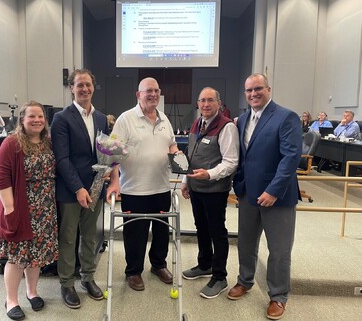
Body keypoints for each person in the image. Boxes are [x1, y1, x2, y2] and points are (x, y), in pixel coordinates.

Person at [228, 73, 302, 320]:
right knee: (246, 243)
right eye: (248, 90)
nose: (253, 94)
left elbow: (291, 158)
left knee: (279, 249)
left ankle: (278, 296)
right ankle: (245, 281)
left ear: (268, 89)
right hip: (248, 193)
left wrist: (273, 190)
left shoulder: (286, 117)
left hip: (277, 197)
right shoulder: (243, 119)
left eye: (258, 89)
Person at [107, 77, 180, 292]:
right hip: (134, 189)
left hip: (161, 187)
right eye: (148, 91)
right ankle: (133, 271)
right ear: (138, 95)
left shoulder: (164, 118)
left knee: (161, 232)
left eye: (156, 91)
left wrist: (179, 157)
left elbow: (172, 144)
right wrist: (114, 181)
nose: (153, 94)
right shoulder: (125, 119)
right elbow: (111, 152)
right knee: (135, 234)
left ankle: (158, 265)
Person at [0, 101, 58, 321]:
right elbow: (1, 177)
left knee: (37, 256)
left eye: (40, 116)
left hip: (45, 209)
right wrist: (10, 209)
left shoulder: (48, 142)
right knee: (16, 257)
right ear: (22, 119)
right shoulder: (12, 143)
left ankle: (32, 292)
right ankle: (11, 299)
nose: (37, 120)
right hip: (20, 208)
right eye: (31, 116)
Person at [51, 69, 108, 309]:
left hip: (96, 186)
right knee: (68, 237)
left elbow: (104, 153)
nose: (84, 89)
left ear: (93, 87)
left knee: (90, 236)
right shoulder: (62, 118)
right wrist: (78, 188)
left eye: (88, 85)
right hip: (71, 190)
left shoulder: (102, 118)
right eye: (79, 85)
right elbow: (62, 159)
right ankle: (66, 282)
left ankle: (87, 277)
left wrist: (109, 175)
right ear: (71, 88)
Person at [180, 87, 239, 299]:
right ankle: (204, 264)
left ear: (219, 103)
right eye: (202, 100)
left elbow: (231, 162)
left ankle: (220, 276)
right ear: (198, 103)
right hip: (196, 188)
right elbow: (191, 155)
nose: (206, 104)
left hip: (214, 189)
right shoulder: (197, 123)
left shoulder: (226, 127)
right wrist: (186, 180)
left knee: (217, 231)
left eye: (210, 100)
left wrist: (210, 174)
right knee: (201, 228)